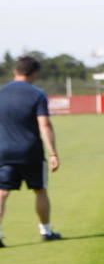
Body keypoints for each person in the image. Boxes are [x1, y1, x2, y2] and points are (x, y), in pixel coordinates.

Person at [0, 56, 61, 246]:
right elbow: (44, 125)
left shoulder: (1, 93)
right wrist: (53, 153)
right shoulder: (37, 94)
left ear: (15, 71)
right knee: (40, 190)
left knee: (2, 192)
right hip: (31, 152)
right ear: (34, 73)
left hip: (4, 152)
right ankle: (46, 231)